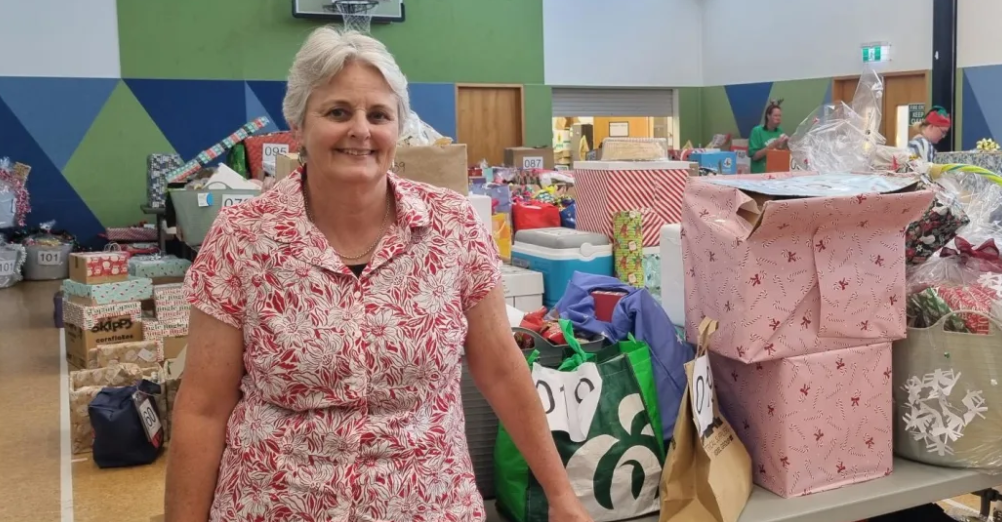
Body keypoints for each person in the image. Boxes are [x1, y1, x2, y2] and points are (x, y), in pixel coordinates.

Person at [164, 27, 593, 522]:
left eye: (379, 115)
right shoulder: (242, 237)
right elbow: (202, 407)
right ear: (299, 127)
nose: (360, 131)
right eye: (338, 112)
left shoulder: (452, 226)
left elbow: (501, 369)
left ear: (398, 128)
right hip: (275, 503)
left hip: (429, 504)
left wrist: (561, 496)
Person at [748, 100, 788, 174]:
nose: (778, 118)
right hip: (760, 175)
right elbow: (755, 157)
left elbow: (782, 153)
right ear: (768, 116)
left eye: (780, 116)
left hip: (776, 173)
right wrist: (773, 144)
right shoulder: (757, 131)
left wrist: (786, 144)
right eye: (775, 116)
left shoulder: (780, 131)